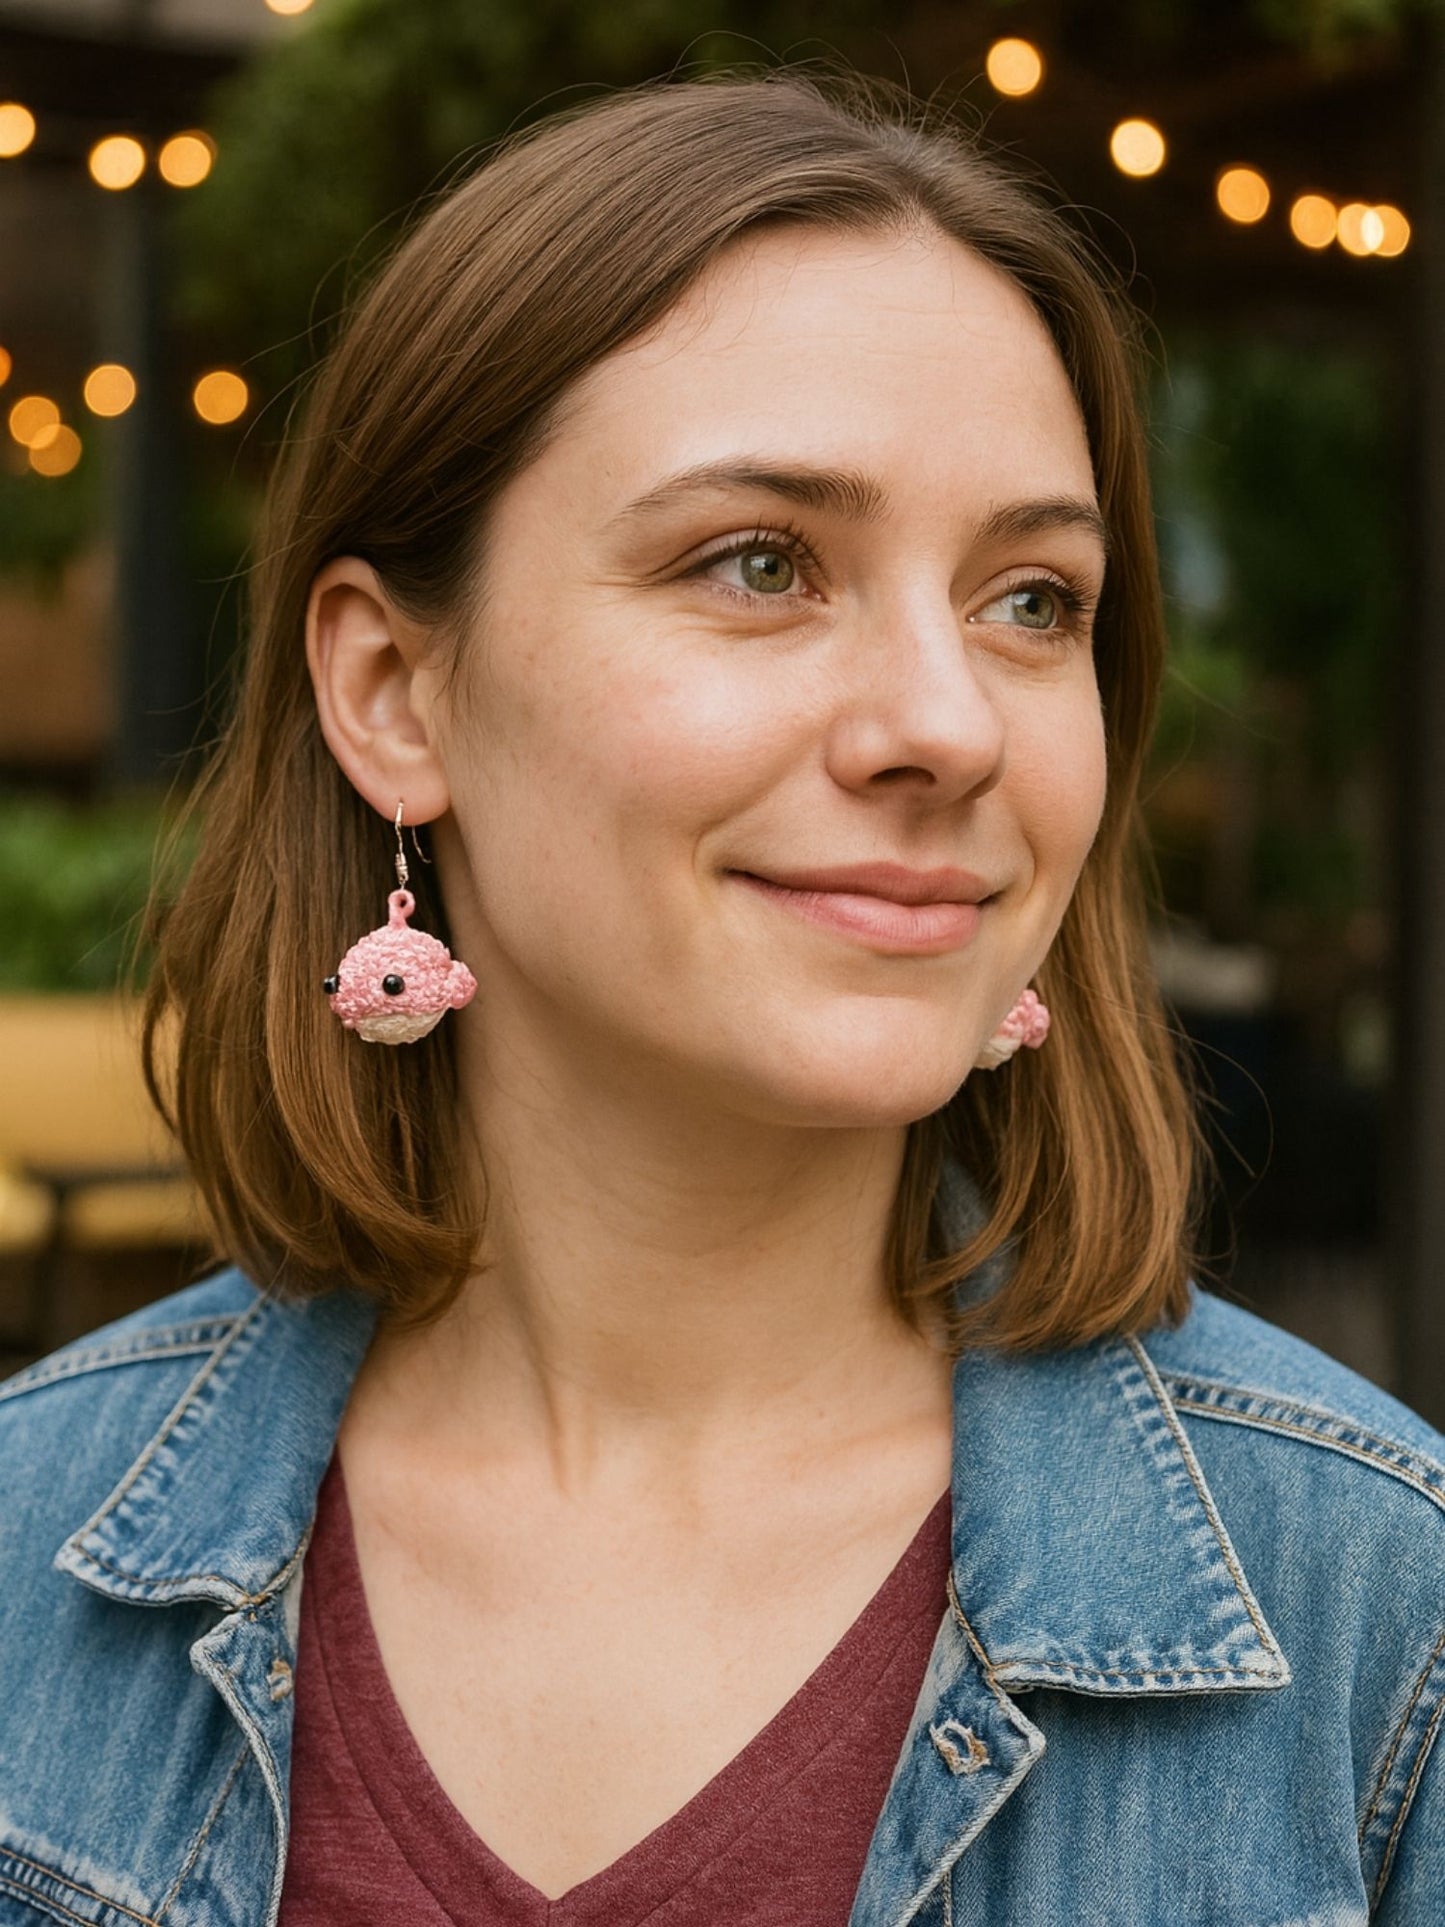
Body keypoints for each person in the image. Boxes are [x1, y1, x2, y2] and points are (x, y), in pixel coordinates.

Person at [0, 69, 1441, 1927]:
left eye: (1031, 601)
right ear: (390, 693)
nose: (943, 722)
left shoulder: (1371, 1619)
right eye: (759, 564)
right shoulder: (30, 1551)